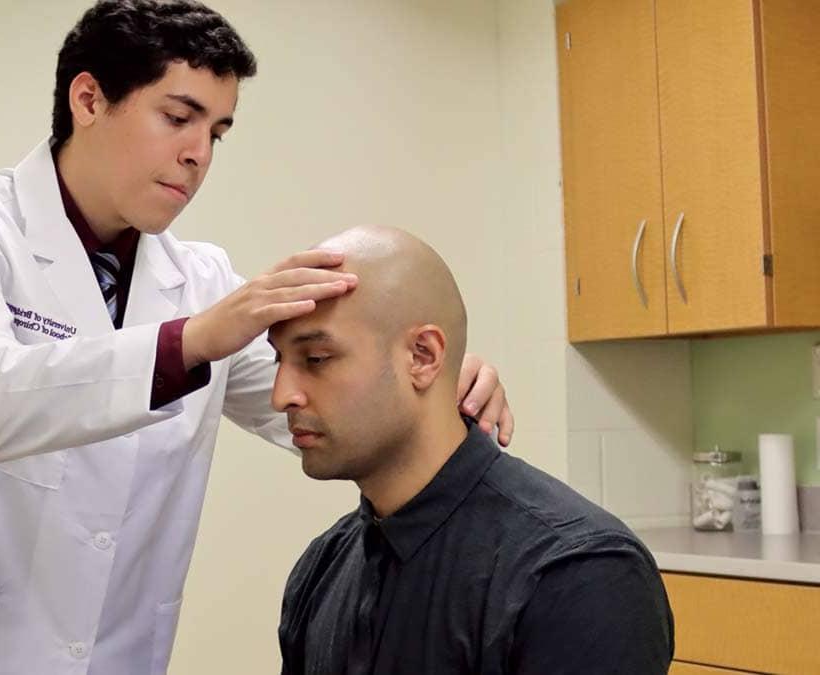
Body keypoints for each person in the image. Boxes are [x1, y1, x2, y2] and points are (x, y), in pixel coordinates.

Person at [0, 3, 516, 674]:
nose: (198, 154)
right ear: (88, 100)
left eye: (217, 132)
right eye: (178, 117)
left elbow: (318, 404)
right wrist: (195, 340)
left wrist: (428, 382)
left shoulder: (198, 280)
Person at [272, 226, 672, 674]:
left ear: (422, 357)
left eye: (316, 360)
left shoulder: (578, 575)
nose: (281, 394)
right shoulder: (323, 566)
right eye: (278, 361)